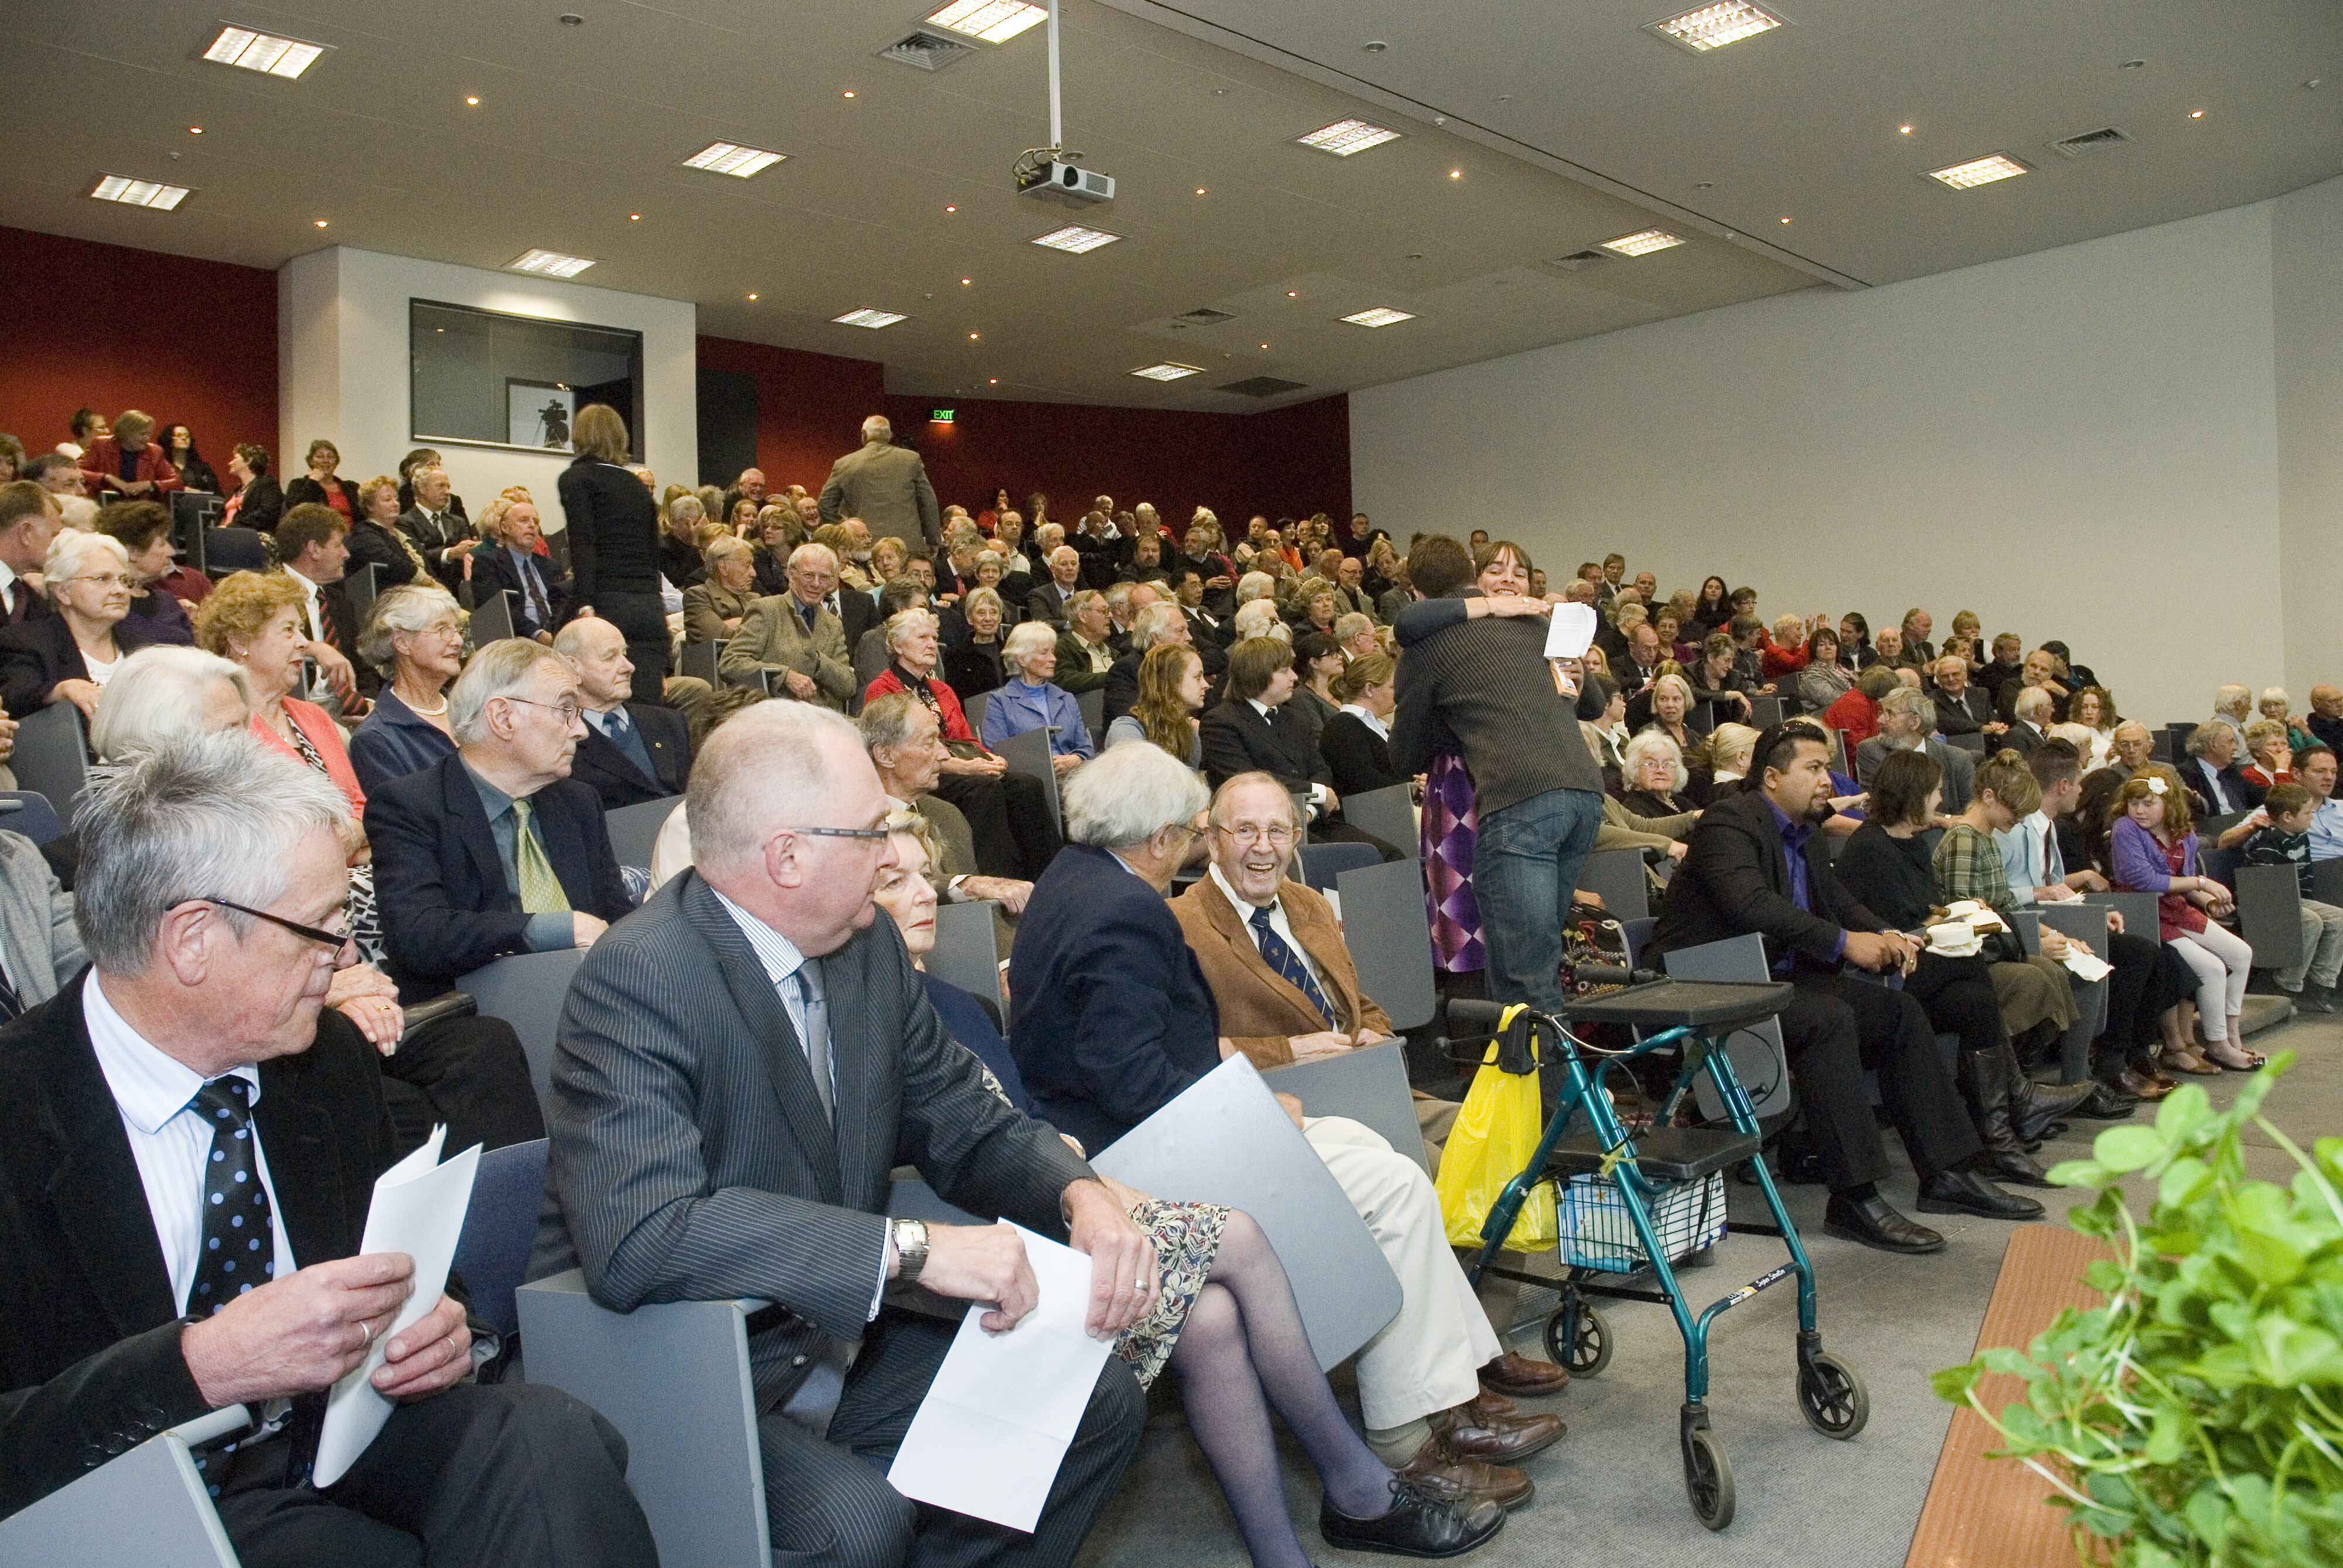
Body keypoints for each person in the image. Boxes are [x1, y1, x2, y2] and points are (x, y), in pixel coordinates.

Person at [535, 701, 1169, 1568]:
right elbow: (641, 1236)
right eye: (872, 832)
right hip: (690, 1363)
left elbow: (960, 1114)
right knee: (856, 1522)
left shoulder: (859, 947)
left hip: (823, 1330)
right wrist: (909, 1249)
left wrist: (1075, 1189)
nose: (890, 855)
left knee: (1091, 1399)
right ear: (787, 855)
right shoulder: (640, 978)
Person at [0, 730, 656, 1562]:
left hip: (332, 1427)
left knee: (545, 1440)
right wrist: (196, 1365)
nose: (346, 955)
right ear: (193, 937)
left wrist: (438, 1320)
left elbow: (385, 1259)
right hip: (126, 1490)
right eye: (320, 927)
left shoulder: (320, 1059)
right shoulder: (21, 1111)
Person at [875, 814, 1506, 1567]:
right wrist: (1074, 1177)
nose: (923, 894)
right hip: (980, 1246)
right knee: (1235, 1235)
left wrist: (1067, 1165)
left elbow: (1017, 1122)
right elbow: (921, 1164)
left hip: (1053, 1202)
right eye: (894, 880)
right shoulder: (873, 1025)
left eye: (922, 875)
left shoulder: (960, 1006)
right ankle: (1358, 1487)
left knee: (1210, 1314)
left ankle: (1290, 1549)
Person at [1010, 746, 1557, 1506]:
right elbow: (1131, 1081)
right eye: (1204, 830)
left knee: (1379, 1152)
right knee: (1395, 1184)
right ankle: (1406, 1437)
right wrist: (1254, 1105)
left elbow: (1133, 1054)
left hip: (1140, 1127)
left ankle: (1448, 1391)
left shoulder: (1068, 882)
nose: (1202, 844)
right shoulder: (1127, 910)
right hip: (1138, 1156)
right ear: (1161, 836)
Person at [1649, 724, 2029, 1253]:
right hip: (1710, 983)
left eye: (1827, 766)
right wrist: (1844, 943)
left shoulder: (1801, 830)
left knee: (1896, 1011)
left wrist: (1885, 933)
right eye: (1812, 768)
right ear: (1772, 776)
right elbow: (1750, 905)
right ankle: (1853, 1198)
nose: (1826, 779)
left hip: (1771, 978)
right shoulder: (1727, 822)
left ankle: (1946, 1171)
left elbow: (1837, 898)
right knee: (1830, 1019)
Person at [1835, 750, 2063, 1184]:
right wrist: (1951, 915)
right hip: (1881, 972)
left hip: (1918, 963)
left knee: (1975, 1001)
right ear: (1913, 795)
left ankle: (1995, 1136)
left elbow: (1927, 906)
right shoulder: (1870, 847)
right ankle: (2013, 1108)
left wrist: (1953, 912)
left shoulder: (1909, 842)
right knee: (1971, 963)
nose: (1941, 798)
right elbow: (1899, 926)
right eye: (1935, 791)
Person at [367, 640, 632, 999]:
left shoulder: (578, 801)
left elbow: (617, 917)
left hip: (592, 998)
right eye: (566, 709)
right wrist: (550, 928)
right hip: (481, 1014)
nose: (581, 730)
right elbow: (418, 935)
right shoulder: (410, 805)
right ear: (503, 717)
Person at [1994, 739, 2178, 1103]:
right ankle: (2106, 1064)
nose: (2081, 790)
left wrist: (2091, 909)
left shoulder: (2049, 828)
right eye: (2078, 783)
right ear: (2063, 786)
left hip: (2052, 917)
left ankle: (2132, 1055)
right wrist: (2050, 899)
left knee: (2155, 954)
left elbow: (2056, 888)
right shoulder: (2017, 830)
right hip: (2028, 925)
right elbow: (2006, 895)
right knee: (2133, 956)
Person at [865, 609, 1060, 880]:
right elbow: (898, 750)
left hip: (961, 766)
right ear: (898, 646)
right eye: (922, 637)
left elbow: (967, 740)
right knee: (984, 789)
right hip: (920, 770)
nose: (932, 644)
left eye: (934, 637)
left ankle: (1051, 880)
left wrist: (988, 759)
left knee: (1026, 784)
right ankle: (998, 885)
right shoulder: (882, 688)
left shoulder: (942, 689)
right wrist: (965, 768)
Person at [2109, 766, 2261, 1072]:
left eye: (2148, 803)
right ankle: (2217, 1044)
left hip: (2177, 907)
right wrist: (2203, 885)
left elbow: (2187, 881)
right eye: (2134, 803)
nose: (2139, 811)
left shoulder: (2185, 835)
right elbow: (2145, 881)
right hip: (2143, 910)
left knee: (2241, 953)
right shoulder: (2126, 829)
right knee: (2212, 967)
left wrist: (2209, 902)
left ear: (2169, 804)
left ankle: (2232, 1035)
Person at [1203, 637, 1397, 859]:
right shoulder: (1222, 722)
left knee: (1388, 856)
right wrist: (1318, 793)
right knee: (1354, 860)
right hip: (1262, 831)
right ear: (1259, 674)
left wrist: (1310, 809)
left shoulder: (1293, 717)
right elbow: (1245, 780)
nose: (1294, 678)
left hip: (1314, 821)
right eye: (1285, 671)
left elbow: (1321, 769)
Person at [558, 404, 668, 689]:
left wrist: (584, 603)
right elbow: (653, 550)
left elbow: (583, 542)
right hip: (648, 606)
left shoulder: (577, 479)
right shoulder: (637, 485)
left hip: (607, 602)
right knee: (646, 700)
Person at [0, 528, 152, 719]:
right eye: (102, 579)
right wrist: (62, 690)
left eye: (124, 580)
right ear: (63, 591)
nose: (120, 590)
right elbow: (14, 697)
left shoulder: (144, 649)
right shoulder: (26, 642)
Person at [557, 616, 691, 807]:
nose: (629, 667)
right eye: (610, 657)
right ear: (573, 669)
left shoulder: (670, 722)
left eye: (625, 654)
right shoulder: (559, 739)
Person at [348, 583, 465, 793]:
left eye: (457, 629)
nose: (457, 640)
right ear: (402, 642)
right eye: (442, 630)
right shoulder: (377, 739)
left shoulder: (474, 709)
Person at [2240, 781, 2343, 1011]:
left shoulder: (2300, 836)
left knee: (2339, 918)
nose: (2312, 818)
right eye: (2307, 813)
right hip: (2268, 903)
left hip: (2296, 899)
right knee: (2310, 921)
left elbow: (2304, 878)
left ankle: (2322, 983)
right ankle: (2287, 987)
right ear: (2288, 816)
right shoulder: (2268, 842)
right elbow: (2263, 890)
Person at [723, 542, 857, 711]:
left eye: (824, 577)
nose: (816, 584)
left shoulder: (833, 624)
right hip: (772, 715)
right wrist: (784, 675)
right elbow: (731, 663)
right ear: (791, 574)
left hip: (818, 719)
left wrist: (819, 661)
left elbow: (848, 686)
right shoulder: (767, 610)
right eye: (809, 575)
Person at [980, 621, 1093, 770]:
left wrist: (1075, 759)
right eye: (1044, 652)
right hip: (1030, 781)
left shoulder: (1066, 698)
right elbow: (997, 754)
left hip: (1074, 775)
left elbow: (1087, 749)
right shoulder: (1000, 701)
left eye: (1052, 652)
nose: (1053, 658)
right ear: (1021, 659)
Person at [818, 414, 940, 551]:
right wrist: (933, 539)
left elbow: (825, 505)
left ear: (864, 435)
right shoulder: (911, 459)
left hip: (865, 548)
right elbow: (928, 502)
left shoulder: (844, 464)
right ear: (889, 436)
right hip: (907, 547)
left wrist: (846, 531)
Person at [1856, 686, 1975, 812]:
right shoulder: (1871, 751)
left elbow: (1971, 813)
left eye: (1889, 714)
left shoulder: (1958, 758)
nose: (1879, 720)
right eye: (1882, 713)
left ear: (1914, 722)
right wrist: (1944, 820)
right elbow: (1881, 809)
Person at [94, 498, 196, 644]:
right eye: (162, 544)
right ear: (132, 552)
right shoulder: (109, 607)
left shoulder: (168, 601)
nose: (171, 552)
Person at [473, 492, 567, 643]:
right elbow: (499, 610)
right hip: (518, 640)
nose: (532, 525)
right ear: (505, 527)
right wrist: (537, 633)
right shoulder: (487, 563)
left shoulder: (551, 566)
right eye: (524, 520)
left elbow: (563, 604)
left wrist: (558, 634)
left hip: (557, 636)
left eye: (536, 522)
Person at [1108, 641, 1208, 767]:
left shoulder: (1190, 734)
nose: (1206, 685)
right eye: (1198, 677)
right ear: (1171, 682)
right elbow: (1136, 780)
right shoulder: (1127, 729)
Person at [1321, 652, 1405, 798]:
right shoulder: (1343, 728)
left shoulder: (1378, 726)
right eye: (1392, 687)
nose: (1398, 694)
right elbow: (1362, 781)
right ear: (1369, 689)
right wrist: (1410, 786)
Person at [76, 409, 185, 501]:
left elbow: (177, 483)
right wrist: (107, 478)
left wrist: (149, 485)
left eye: (148, 434)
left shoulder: (154, 452)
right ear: (126, 434)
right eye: (143, 434)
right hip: (104, 505)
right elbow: (75, 471)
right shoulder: (101, 445)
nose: (147, 439)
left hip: (140, 509)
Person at [397, 465, 475, 594]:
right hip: (425, 592)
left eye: (448, 487)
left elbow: (466, 553)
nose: (447, 492)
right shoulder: (404, 522)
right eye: (441, 486)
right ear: (422, 488)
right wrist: (450, 553)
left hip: (460, 591)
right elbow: (415, 558)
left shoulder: (458, 522)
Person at [684, 534, 760, 644]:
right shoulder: (697, 595)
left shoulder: (754, 597)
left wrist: (738, 623)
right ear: (724, 568)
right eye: (747, 565)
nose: (753, 573)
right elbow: (719, 639)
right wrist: (752, 624)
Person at [2180, 720, 2262, 819]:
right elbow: (2196, 818)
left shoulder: (2229, 771)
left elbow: (2259, 795)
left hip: (2244, 825)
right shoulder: (2187, 775)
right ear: (2213, 745)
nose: (2236, 747)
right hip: (2215, 831)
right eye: (2231, 741)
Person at [942, 586, 1010, 699]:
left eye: (993, 612)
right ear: (969, 618)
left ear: (999, 617)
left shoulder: (1011, 652)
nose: (988, 618)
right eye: (981, 613)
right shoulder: (955, 656)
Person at [282, 438, 360, 521]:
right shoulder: (298, 484)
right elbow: (297, 513)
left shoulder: (351, 487)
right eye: (320, 456)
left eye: (330, 457)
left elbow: (363, 515)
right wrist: (312, 482)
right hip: (318, 532)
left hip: (352, 533)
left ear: (336, 462)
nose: (326, 461)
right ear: (311, 461)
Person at [220, 442, 283, 534]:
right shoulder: (235, 491)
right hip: (226, 535)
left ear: (249, 460)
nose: (230, 463)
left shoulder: (268, 484)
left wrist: (232, 527)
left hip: (252, 535)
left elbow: (266, 515)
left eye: (235, 458)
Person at [1796, 627, 1853, 712]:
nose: (1828, 647)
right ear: (1814, 651)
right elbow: (1832, 699)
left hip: (1851, 713)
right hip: (1824, 720)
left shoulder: (1848, 673)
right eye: (1822, 644)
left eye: (1832, 644)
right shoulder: (1811, 675)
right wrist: (1861, 698)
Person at [159, 422, 219, 494]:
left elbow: (215, 492)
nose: (184, 438)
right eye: (179, 435)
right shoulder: (162, 466)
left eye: (187, 436)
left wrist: (198, 492)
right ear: (169, 439)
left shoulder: (202, 468)